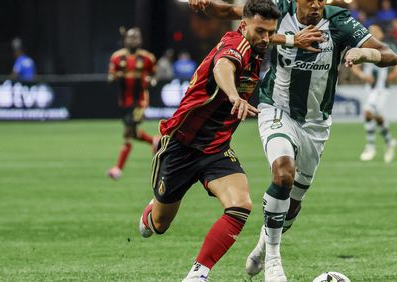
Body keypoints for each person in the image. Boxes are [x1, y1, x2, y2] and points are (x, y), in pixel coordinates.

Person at [189, 0, 397, 281]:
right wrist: (205, 4)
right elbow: (228, 11)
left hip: (316, 124)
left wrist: (364, 53)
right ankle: (274, 261)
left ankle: (264, 244)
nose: (315, 5)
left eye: (320, 0)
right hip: (276, 108)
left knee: (294, 201)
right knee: (283, 173)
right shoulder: (279, 10)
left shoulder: (339, 21)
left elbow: (389, 56)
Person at [137, 1, 280, 281]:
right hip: (181, 145)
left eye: (270, 33)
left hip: (216, 148)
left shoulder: (258, 42)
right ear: (244, 24)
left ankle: (198, 274)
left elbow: (232, 12)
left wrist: (292, 40)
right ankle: (150, 213)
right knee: (160, 224)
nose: (266, 38)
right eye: (261, 31)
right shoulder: (235, 44)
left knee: (241, 205)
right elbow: (222, 68)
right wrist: (234, 96)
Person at [107, 27, 160, 180]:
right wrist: (116, 76)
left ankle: (118, 169)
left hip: (140, 101)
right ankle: (154, 141)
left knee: (128, 133)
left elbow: (154, 76)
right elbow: (110, 78)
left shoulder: (147, 58)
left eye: (136, 38)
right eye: (130, 38)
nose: (133, 40)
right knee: (132, 132)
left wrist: (152, 80)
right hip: (124, 101)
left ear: (140, 40)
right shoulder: (117, 57)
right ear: (125, 40)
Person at [351, 24, 397, 163]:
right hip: (369, 89)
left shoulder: (388, 46)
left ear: (381, 33)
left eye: (375, 31)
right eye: (370, 31)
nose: (372, 33)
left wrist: (394, 75)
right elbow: (354, 65)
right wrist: (362, 75)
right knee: (377, 117)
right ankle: (389, 141)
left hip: (382, 89)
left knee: (368, 112)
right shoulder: (365, 46)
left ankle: (371, 146)